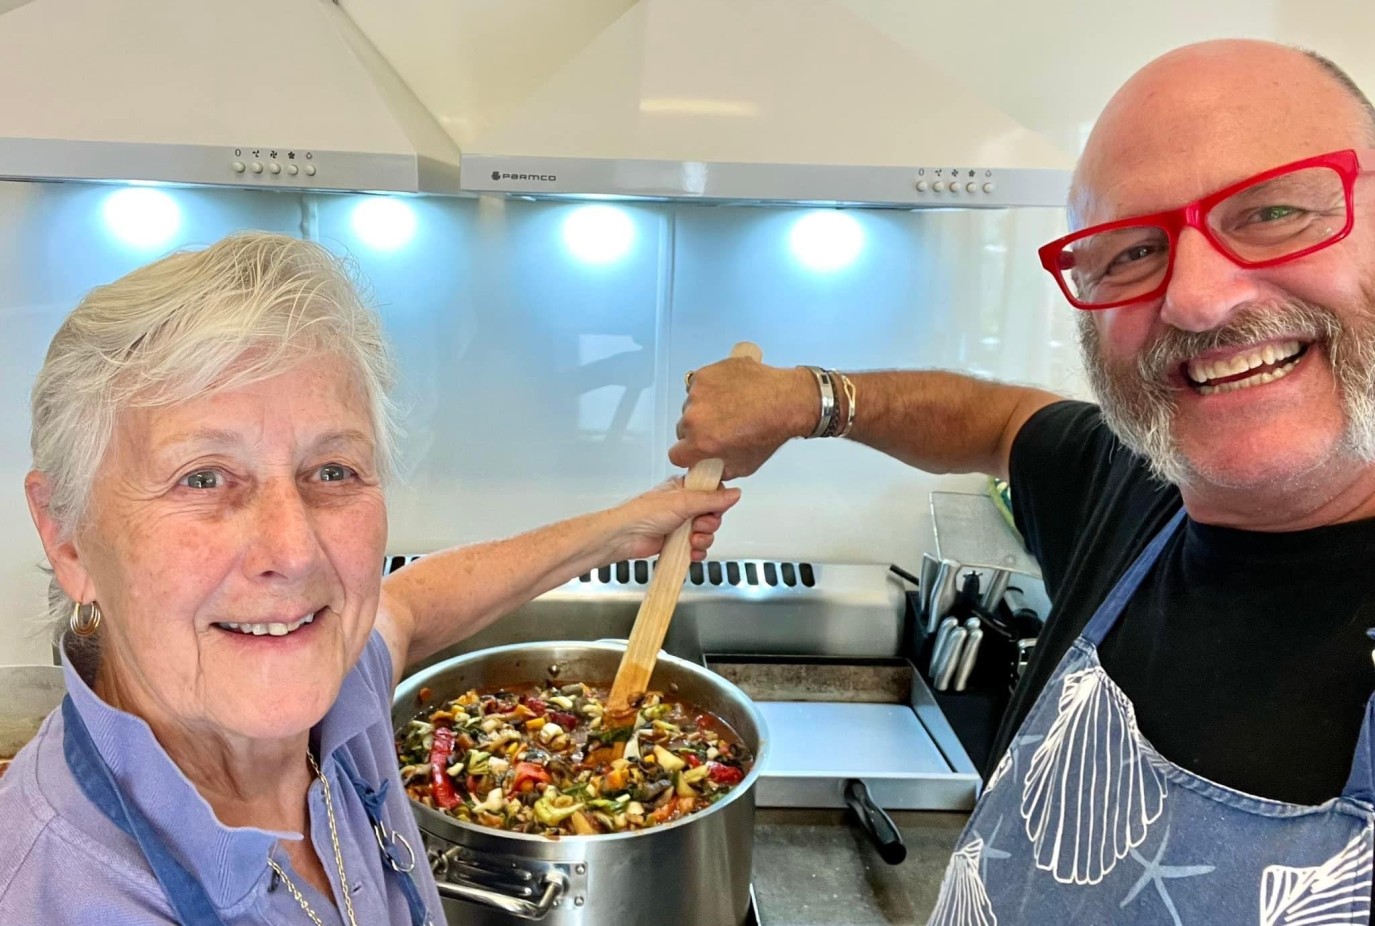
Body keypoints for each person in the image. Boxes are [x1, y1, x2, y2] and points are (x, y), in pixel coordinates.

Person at [672, 39, 1375, 923]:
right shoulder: (1136, 492)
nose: (1196, 300)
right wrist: (807, 399)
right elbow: (999, 423)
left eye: (1272, 210)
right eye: (1127, 253)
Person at [0, 231, 739, 924]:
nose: (293, 552)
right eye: (203, 479)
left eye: (332, 470)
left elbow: (412, 606)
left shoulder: (332, 685)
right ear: (67, 538)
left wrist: (620, 529)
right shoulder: (64, 891)